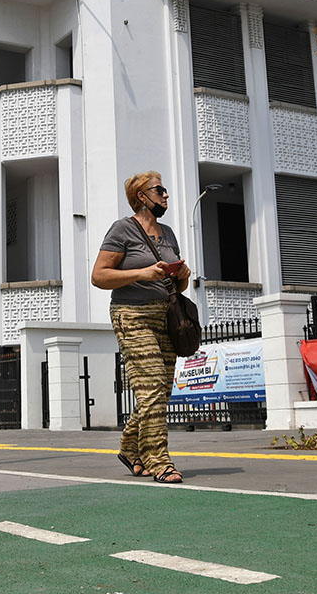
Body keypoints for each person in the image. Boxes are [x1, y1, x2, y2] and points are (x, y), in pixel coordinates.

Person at [91, 171, 192, 484]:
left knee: (160, 390)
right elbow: (99, 276)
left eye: (165, 190)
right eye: (159, 190)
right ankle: (158, 460)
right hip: (132, 315)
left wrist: (183, 274)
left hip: (165, 317)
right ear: (141, 198)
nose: (165, 196)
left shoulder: (169, 233)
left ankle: (129, 447)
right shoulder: (122, 230)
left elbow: (180, 286)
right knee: (150, 389)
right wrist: (141, 274)